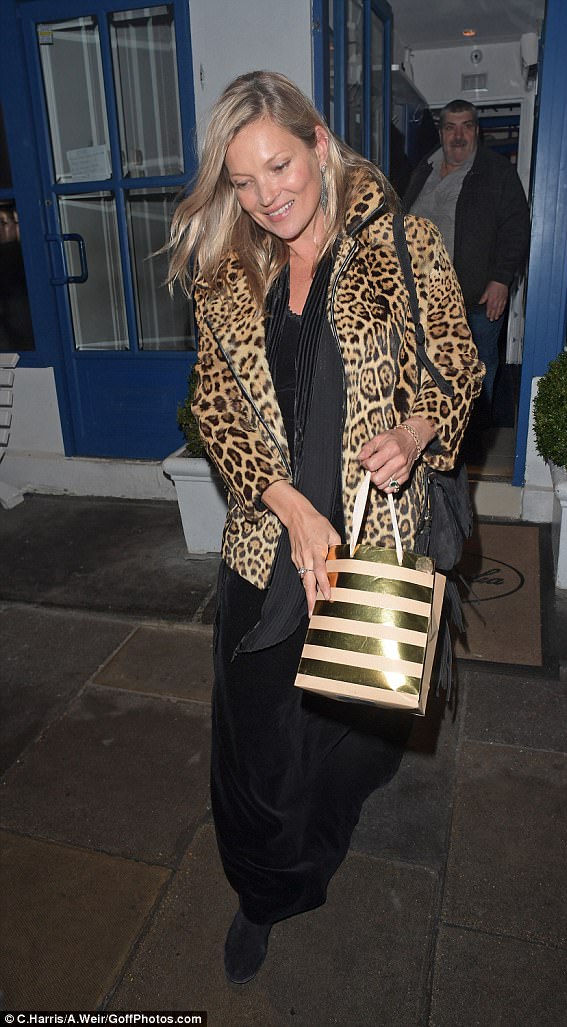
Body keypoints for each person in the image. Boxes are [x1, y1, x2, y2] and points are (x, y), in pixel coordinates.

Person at [168, 71, 483, 986]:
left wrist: (416, 431)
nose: (268, 196)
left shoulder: (403, 245)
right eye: (244, 181)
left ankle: (336, 810)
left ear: (316, 141)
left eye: (279, 166)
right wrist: (287, 502)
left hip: (372, 538)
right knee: (254, 739)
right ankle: (264, 890)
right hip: (271, 544)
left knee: (354, 724)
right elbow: (216, 406)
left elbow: (455, 364)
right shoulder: (229, 275)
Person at [403, 99, 530, 426]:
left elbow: (516, 228)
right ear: (441, 133)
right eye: (450, 127)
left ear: (477, 131)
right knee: (425, 369)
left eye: (466, 127)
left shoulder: (497, 172)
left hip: (474, 299)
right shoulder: (424, 168)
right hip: (420, 300)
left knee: (477, 369)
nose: (458, 136)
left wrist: (501, 278)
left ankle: (472, 439)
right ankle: (429, 431)